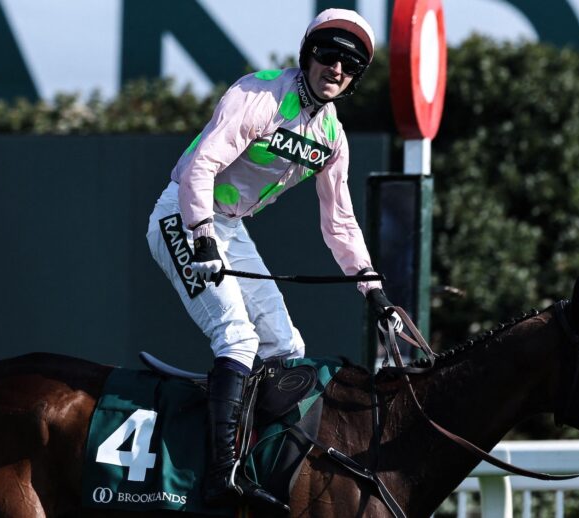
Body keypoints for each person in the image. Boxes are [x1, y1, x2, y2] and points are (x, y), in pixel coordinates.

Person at [145, 8, 402, 510]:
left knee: (287, 347)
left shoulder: (332, 138)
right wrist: (199, 234)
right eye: (328, 55)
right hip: (182, 212)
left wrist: (372, 287)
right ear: (308, 56)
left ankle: (257, 465)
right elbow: (201, 166)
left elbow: (340, 224)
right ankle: (220, 479)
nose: (337, 69)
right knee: (238, 337)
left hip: (229, 227)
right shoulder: (259, 94)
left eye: (349, 65)